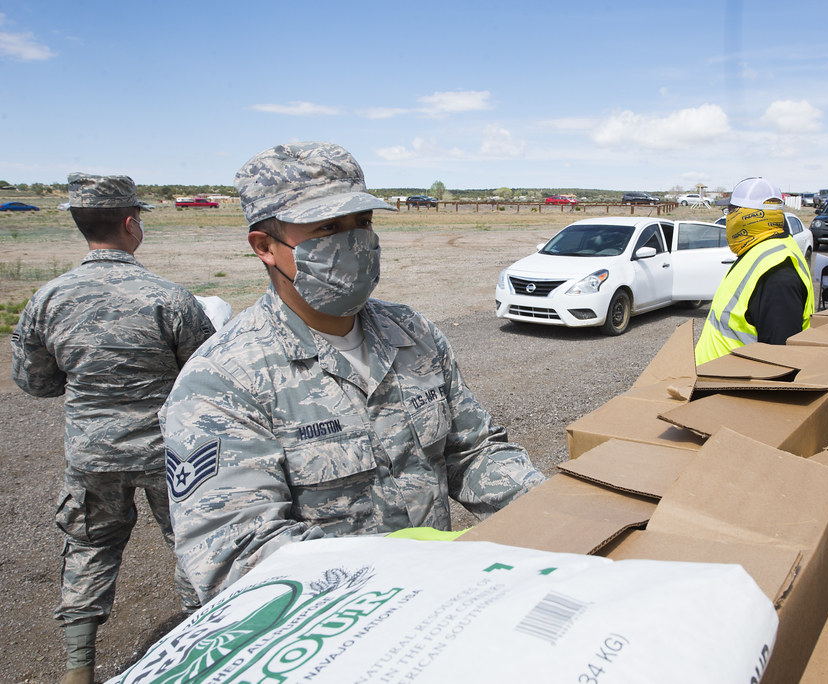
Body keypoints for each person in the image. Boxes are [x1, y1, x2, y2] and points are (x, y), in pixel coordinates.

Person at [159, 141, 545, 603]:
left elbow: (472, 452)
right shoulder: (223, 380)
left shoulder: (413, 333)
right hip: (332, 630)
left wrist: (552, 516)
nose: (355, 243)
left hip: (437, 601)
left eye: (362, 223)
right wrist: (399, 577)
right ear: (265, 246)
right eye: (327, 229)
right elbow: (240, 556)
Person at [10, 173, 215, 684]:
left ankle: (77, 670)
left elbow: (36, 384)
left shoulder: (48, 299)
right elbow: (208, 377)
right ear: (130, 224)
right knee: (194, 545)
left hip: (92, 457)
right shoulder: (171, 299)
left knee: (89, 548)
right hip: (170, 455)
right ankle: (206, 648)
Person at [694, 177, 814, 365]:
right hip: (713, 382)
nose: (727, 218)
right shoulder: (759, 252)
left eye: (730, 211)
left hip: (731, 390)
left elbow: (779, 363)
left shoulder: (777, 274)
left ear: (747, 216)